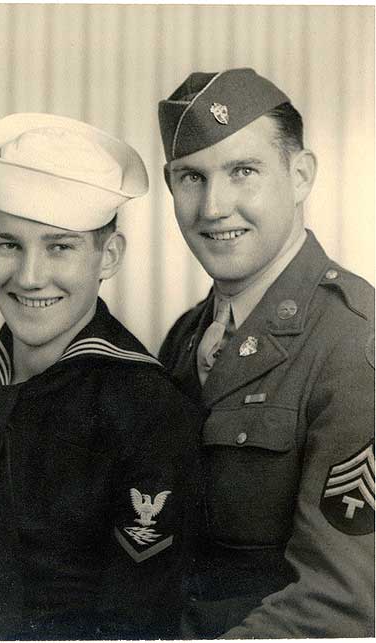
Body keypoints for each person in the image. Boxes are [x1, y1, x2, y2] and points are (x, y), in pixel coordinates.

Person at [0, 113, 203, 640]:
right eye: (9, 244)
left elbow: (137, 622)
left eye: (60, 246)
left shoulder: (147, 409)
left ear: (109, 256)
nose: (30, 277)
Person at [157, 68, 375, 638]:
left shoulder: (354, 344)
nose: (213, 207)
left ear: (300, 176)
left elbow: (338, 607)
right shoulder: (185, 338)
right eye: (191, 178)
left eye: (243, 172)